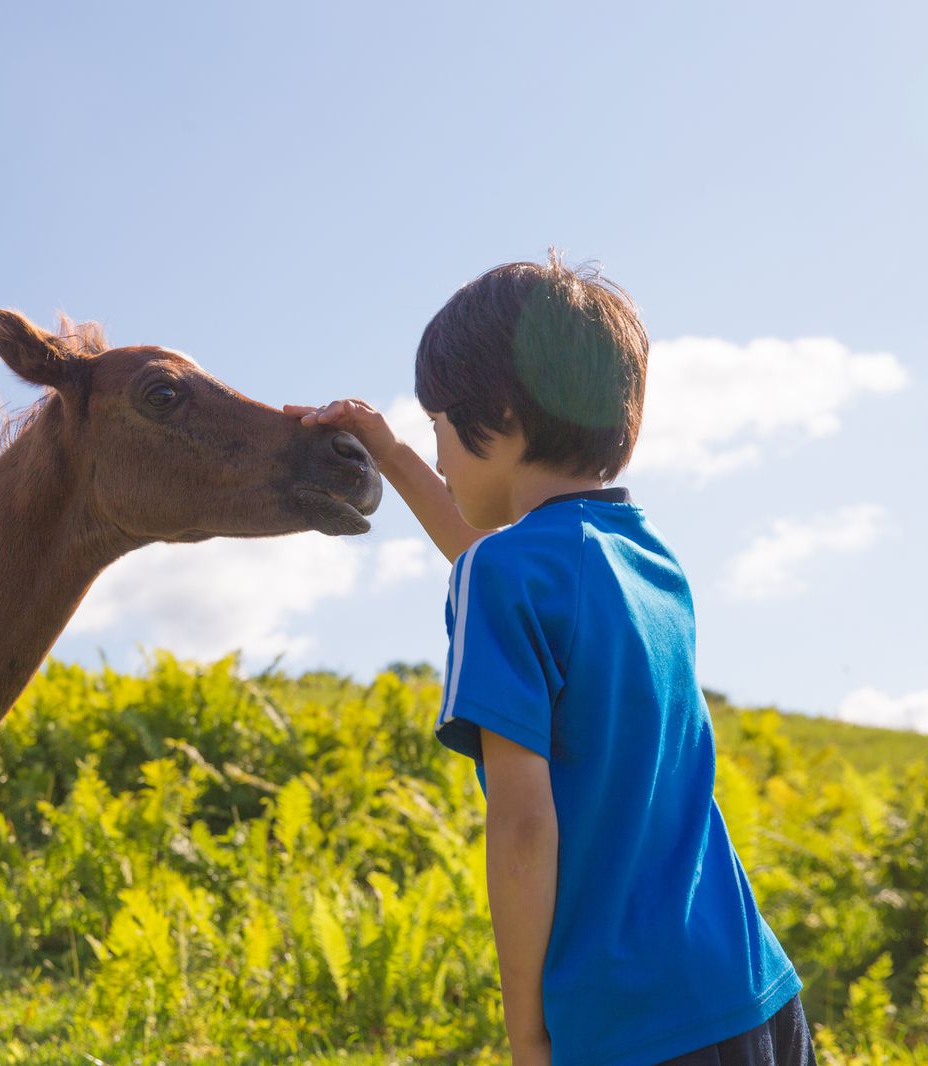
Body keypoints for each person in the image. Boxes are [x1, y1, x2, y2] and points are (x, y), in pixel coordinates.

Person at [284, 251, 814, 1066]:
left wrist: (528, 1033)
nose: (440, 460)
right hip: (751, 990)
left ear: (496, 415)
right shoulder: (650, 560)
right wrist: (392, 454)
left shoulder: (508, 578)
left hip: (629, 1025)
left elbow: (525, 825)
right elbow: (488, 564)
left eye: (438, 432)